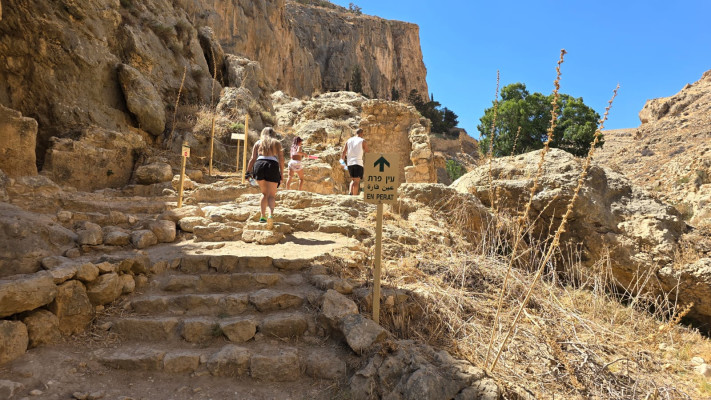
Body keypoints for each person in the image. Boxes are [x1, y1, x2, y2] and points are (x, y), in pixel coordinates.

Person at [247, 127, 284, 229]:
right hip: (272, 165)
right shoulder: (276, 143)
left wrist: (247, 172)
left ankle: (262, 216)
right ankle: (270, 214)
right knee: (271, 195)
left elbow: (252, 158)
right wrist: (282, 173)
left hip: (259, 164)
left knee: (264, 193)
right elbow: (281, 159)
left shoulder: (258, 143)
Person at [341, 128, 368, 195]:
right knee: (356, 181)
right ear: (361, 133)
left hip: (350, 163)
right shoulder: (362, 140)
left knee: (353, 180)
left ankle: (350, 193)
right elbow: (367, 151)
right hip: (358, 163)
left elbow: (344, 152)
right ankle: (354, 197)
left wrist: (342, 163)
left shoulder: (349, 140)